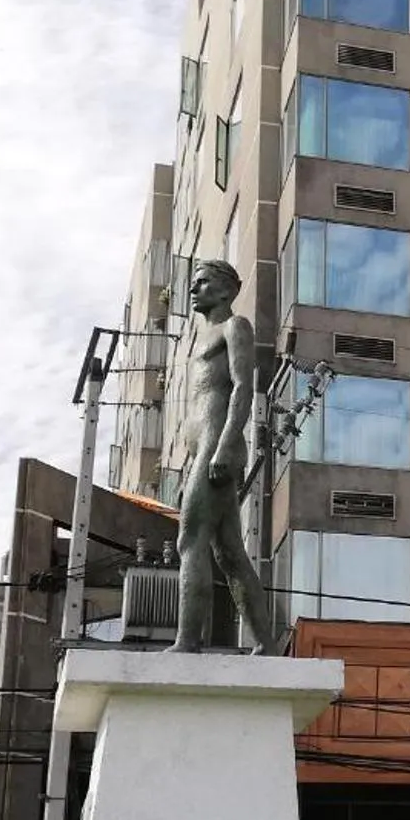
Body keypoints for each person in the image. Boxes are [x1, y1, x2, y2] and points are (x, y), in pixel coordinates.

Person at [171, 259, 273, 654]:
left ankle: (187, 641)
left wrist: (227, 443)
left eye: (203, 282)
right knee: (229, 552)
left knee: (190, 541)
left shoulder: (235, 327)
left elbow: (244, 386)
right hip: (202, 449)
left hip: (216, 446)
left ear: (226, 290)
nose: (194, 290)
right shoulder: (201, 338)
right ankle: (265, 644)